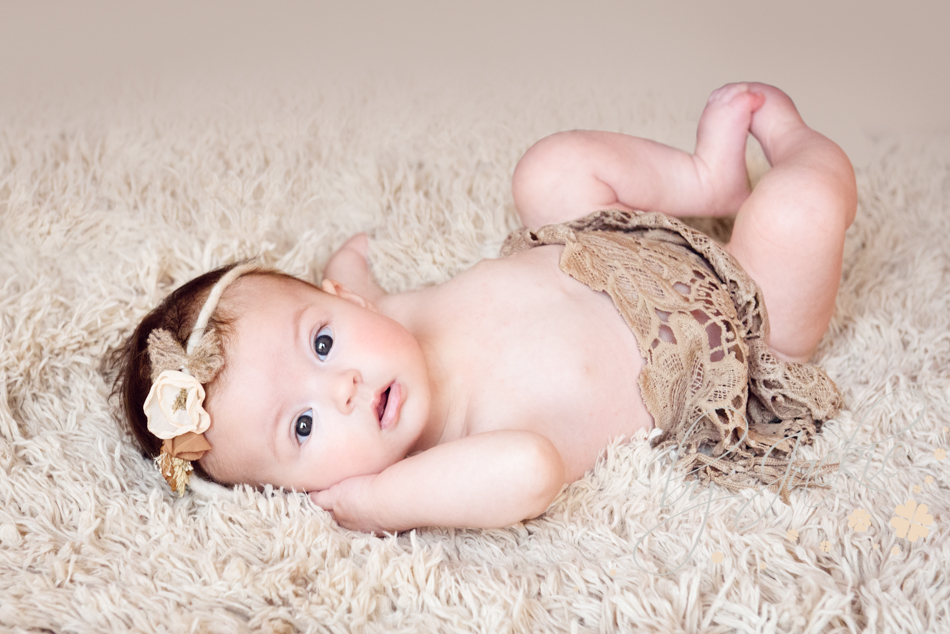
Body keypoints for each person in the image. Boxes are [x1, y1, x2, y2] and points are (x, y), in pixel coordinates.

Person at [113, 83, 855, 533]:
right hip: (723, 328)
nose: (338, 387)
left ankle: (701, 181)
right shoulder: (441, 458)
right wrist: (378, 502)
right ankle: (793, 148)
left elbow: (355, 296)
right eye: (303, 426)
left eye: (322, 343)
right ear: (308, 489)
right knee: (797, 215)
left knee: (550, 167)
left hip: (601, 244)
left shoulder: (383, 317)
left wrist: (350, 264)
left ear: (337, 301)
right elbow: (530, 471)